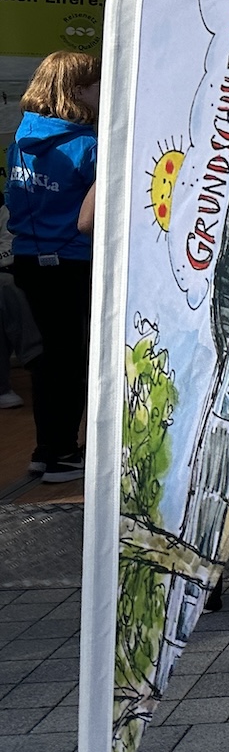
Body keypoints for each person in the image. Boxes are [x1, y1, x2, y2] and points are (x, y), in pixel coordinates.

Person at [6, 51, 100, 484]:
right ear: (78, 90)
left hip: (26, 261)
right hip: (71, 264)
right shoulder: (90, 146)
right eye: (98, 84)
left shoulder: (22, 138)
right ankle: (62, 454)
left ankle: (47, 450)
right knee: (71, 360)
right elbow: (95, 216)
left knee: (46, 361)